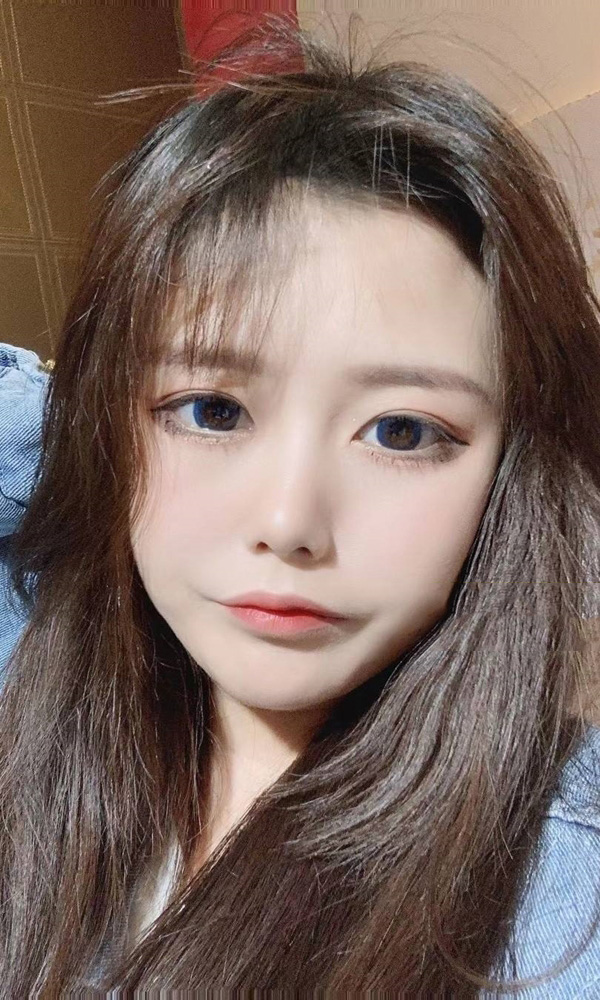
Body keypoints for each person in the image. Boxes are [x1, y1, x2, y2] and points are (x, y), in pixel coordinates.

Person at [0, 18, 598, 996]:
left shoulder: (564, 894)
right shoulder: (30, 660)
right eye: (212, 410)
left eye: (401, 431)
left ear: (510, 469)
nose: (287, 523)